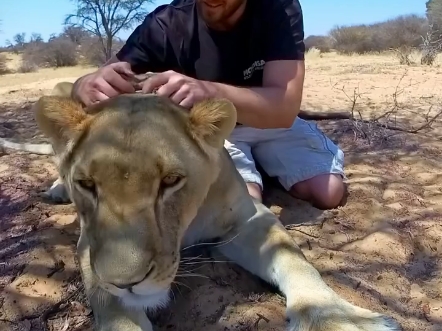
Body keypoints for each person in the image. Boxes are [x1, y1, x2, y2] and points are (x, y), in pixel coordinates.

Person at [71, 0, 346, 210]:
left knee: (329, 192)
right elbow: (101, 78)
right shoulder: (166, 23)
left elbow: (283, 110)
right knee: (244, 202)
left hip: (269, 121)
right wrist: (84, 84)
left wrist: (209, 91)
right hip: (213, 131)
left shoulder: (279, 10)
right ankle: (259, 173)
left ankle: (266, 167)